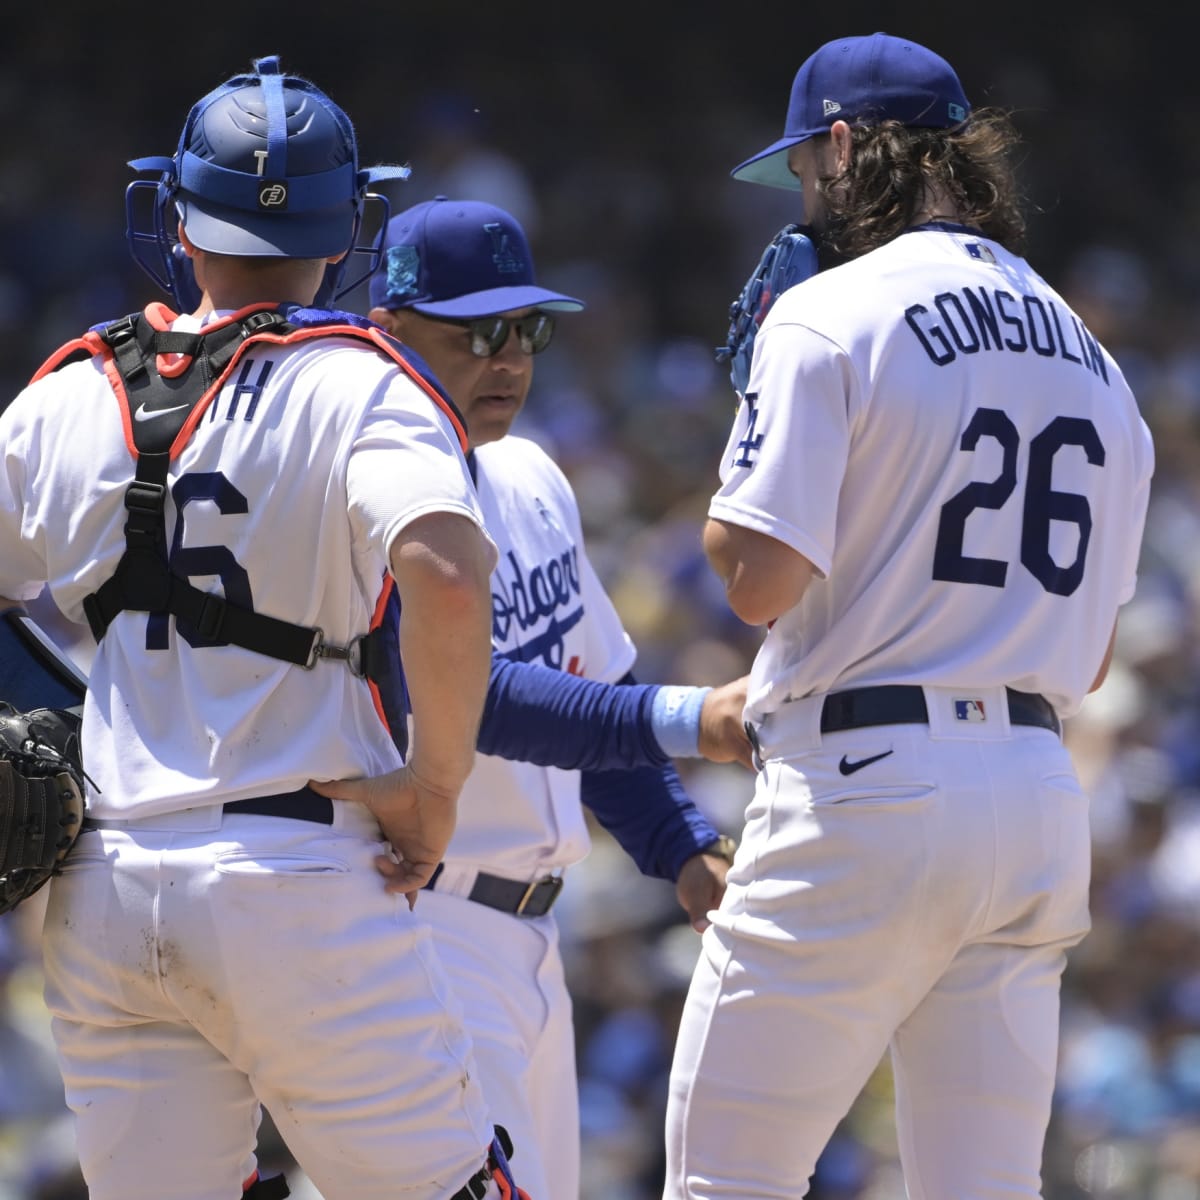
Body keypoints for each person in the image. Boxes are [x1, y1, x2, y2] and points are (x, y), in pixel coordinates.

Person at [0, 56, 522, 1200]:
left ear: (175, 218)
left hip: (106, 881)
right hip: (298, 876)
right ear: (351, 227)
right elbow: (442, 570)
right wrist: (435, 795)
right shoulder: (360, 382)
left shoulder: (64, 393)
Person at [663, 31, 1156, 1200]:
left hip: (866, 784)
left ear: (842, 146)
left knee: (726, 1181)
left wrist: (749, 417)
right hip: (1036, 791)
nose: (803, 194)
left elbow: (759, 583)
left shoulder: (831, 312)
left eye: (803, 168)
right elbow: (1091, 648)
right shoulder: (1095, 353)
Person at [363, 195, 744, 1200]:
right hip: (421, 930)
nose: (510, 359)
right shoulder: (368, 496)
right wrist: (687, 718)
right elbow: (467, 696)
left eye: (526, 328)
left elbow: (594, 682)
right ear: (388, 333)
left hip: (533, 941)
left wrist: (680, 848)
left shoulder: (531, 474)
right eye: (477, 332)